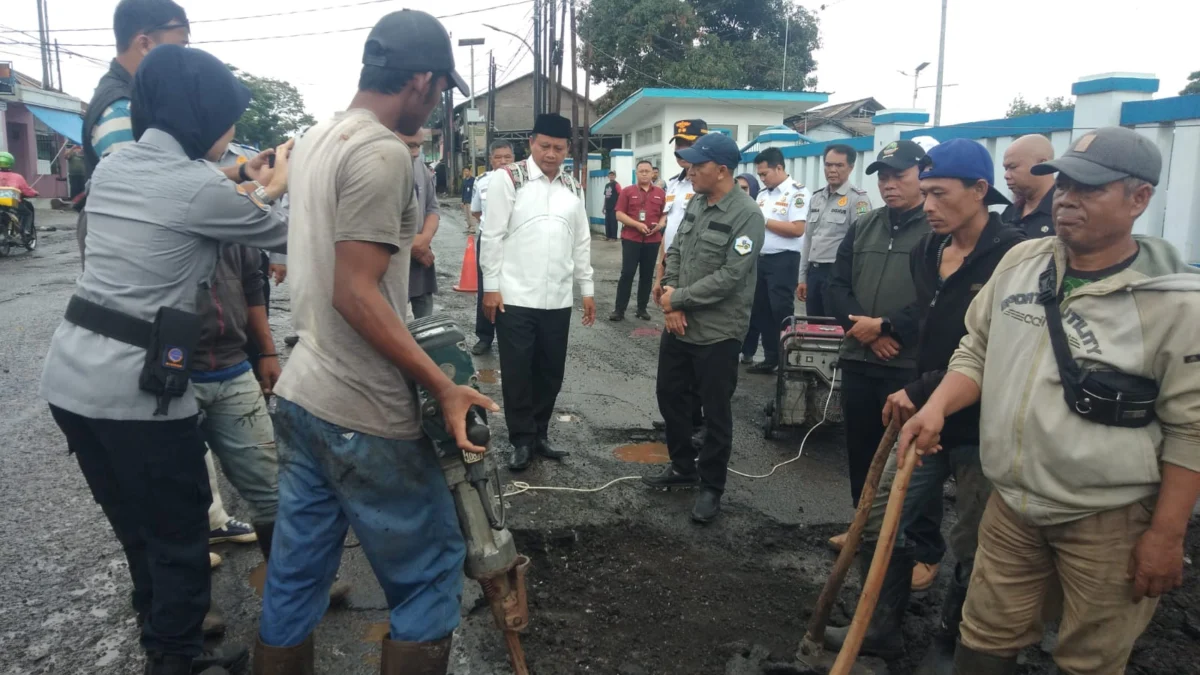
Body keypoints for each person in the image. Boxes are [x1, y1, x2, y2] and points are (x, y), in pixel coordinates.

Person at [900, 126, 1200, 675]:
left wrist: (1165, 535)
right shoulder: (1021, 263)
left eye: (1089, 189)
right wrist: (937, 405)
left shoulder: (1176, 306)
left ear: (1139, 199)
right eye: (1062, 184)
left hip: (1109, 520)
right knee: (984, 639)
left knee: (1089, 659)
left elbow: (1192, 430)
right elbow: (978, 349)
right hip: (1012, 505)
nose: (1067, 198)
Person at [255, 11, 497, 674]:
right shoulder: (383, 152)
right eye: (442, 88)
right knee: (429, 570)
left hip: (303, 395)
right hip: (363, 408)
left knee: (296, 574)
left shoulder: (317, 138)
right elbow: (356, 291)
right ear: (419, 79)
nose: (440, 100)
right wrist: (443, 384)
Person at [39, 44, 290, 675]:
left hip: (70, 379)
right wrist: (276, 184)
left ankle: (164, 640)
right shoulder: (195, 187)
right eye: (228, 121)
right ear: (202, 117)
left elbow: (192, 190)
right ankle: (176, 662)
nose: (232, 136)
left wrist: (239, 174)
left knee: (136, 529)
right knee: (179, 533)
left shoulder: (117, 163)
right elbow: (288, 231)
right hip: (138, 391)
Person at [821, 139, 1025, 671]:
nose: (928, 206)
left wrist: (923, 386)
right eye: (926, 194)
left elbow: (988, 348)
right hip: (923, 412)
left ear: (981, 192)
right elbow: (933, 329)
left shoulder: (1013, 256)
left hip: (983, 423)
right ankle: (881, 625)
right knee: (882, 518)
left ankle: (953, 641)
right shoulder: (928, 250)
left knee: (975, 541)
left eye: (939, 194)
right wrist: (918, 387)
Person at [642, 132, 766, 524]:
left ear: (723, 170)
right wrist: (670, 290)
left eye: (699, 165)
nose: (691, 171)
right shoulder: (697, 200)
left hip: (718, 331)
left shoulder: (747, 214)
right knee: (670, 396)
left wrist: (676, 300)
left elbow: (731, 276)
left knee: (715, 413)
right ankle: (683, 467)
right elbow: (676, 248)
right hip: (679, 323)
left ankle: (711, 486)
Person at [824, 140, 929, 550]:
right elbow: (836, 285)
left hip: (908, 366)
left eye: (899, 176)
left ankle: (912, 544)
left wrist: (888, 328)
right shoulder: (865, 224)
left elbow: (937, 298)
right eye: (883, 177)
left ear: (923, 174)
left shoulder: (936, 229)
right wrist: (864, 332)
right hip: (860, 358)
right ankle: (863, 527)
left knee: (912, 459)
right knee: (862, 450)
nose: (889, 185)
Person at [481, 113, 596, 471]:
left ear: (567, 149)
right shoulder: (508, 179)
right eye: (544, 146)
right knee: (517, 372)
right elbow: (492, 235)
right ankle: (520, 439)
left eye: (558, 148)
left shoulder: (573, 187)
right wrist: (491, 287)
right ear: (531, 143)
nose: (551, 154)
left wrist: (587, 289)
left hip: (557, 299)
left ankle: (540, 433)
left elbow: (581, 240)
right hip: (514, 297)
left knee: (550, 372)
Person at [77, 0, 191, 269]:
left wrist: (238, 174)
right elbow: (143, 194)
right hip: (133, 267)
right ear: (145, 44)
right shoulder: (120, 109)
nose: (186, 59)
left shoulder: (136, 100)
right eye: (182, 46)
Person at [652, 119, 708, 438]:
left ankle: (699, 421)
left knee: (699, 352)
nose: (680, 152)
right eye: (677, 146)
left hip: (695, 280)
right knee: (678, 355)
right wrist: (659, 276)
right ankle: (681, 416)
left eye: (687, 145)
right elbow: (668, 234)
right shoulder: (673, 185)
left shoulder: (709, 185)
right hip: (672, 273)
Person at [746, 147, 810, 374]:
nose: (762, 178)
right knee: (761, 310)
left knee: (780, 311)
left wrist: (763, 220)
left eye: (765, 174)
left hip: (784, 260)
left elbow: (797, 229)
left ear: (779, 168)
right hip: (760, 260)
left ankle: (787, 359)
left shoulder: (797, 193)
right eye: (760, 174)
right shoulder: (763, 195)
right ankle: (771, 357)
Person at [798, 144, 872, 318]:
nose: (832, 170)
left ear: (851, 168)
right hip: (814, 273)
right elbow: (808, 239)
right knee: (814, 327)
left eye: (839, 166)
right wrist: (802, 277)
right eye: (828, 165)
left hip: (838, 275)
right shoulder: (816, 198)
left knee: (835, 329)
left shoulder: (858, 199)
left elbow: (861, 244)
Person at [469, 140, 516, 355]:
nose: (503, 161)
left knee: (513, 288)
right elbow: (477, 212)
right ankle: (485, 337)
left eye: (508, 157)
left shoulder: (523, 181)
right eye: (499, 157)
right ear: (490, 159)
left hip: (515, 242)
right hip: (488, 240)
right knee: (486, 288)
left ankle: (512, 336)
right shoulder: (481, 181)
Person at [610, 160, 667, 322]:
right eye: (641, 171)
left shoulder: (660, 193)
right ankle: (619, 310)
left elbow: (665, 213)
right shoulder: (627, 192)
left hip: (652, 240)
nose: (644, 173)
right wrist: (637, 225)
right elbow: (619, 214)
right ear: (636, 173)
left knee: (647, 275)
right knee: (627, 274)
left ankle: (642, 309)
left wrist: (661, 225)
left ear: (652, 173)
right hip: (631, 239)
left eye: (647, 171)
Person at [398, 131, 441, 318]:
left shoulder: (420, 167)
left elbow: (433, 207)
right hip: (390, 258)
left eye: (418, 145)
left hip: (420, 256)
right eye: (410, 146)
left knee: (424, 315)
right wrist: (411, 245)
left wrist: (424, 240)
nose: (416, 152)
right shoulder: (376, 168)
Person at [1001, 134, 1057, 238]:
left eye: (1013, 167)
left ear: (1042, 164)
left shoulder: (1064, 213)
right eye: (1006, 169)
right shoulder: (1008, 214)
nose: (1006, 176)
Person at [602, 170, 621, 241]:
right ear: (608, 176)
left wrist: (618, 205)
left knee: (613, 222)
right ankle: (608, 236)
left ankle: (614, 237)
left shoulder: (616, 185)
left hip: (614, 206)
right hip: (608, 206)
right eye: (610, 175)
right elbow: (606, 197)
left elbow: (620, 195)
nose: (611, 176)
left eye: (613, 175)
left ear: (615, 176)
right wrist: (603, 207)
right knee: (607, 222)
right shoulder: (607, 185)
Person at [460, 166, 476, 231]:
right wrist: (462, 201)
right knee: (466, 214)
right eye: (465, 171)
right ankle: (469, 226)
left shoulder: (473, 180)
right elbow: (463, 191)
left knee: (471, 214)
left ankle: (473, 227)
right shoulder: (464, 181)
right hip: (465, 200)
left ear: (470, 172)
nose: (466, 173)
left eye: (467, 171)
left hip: (471, 200)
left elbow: (475, 190)